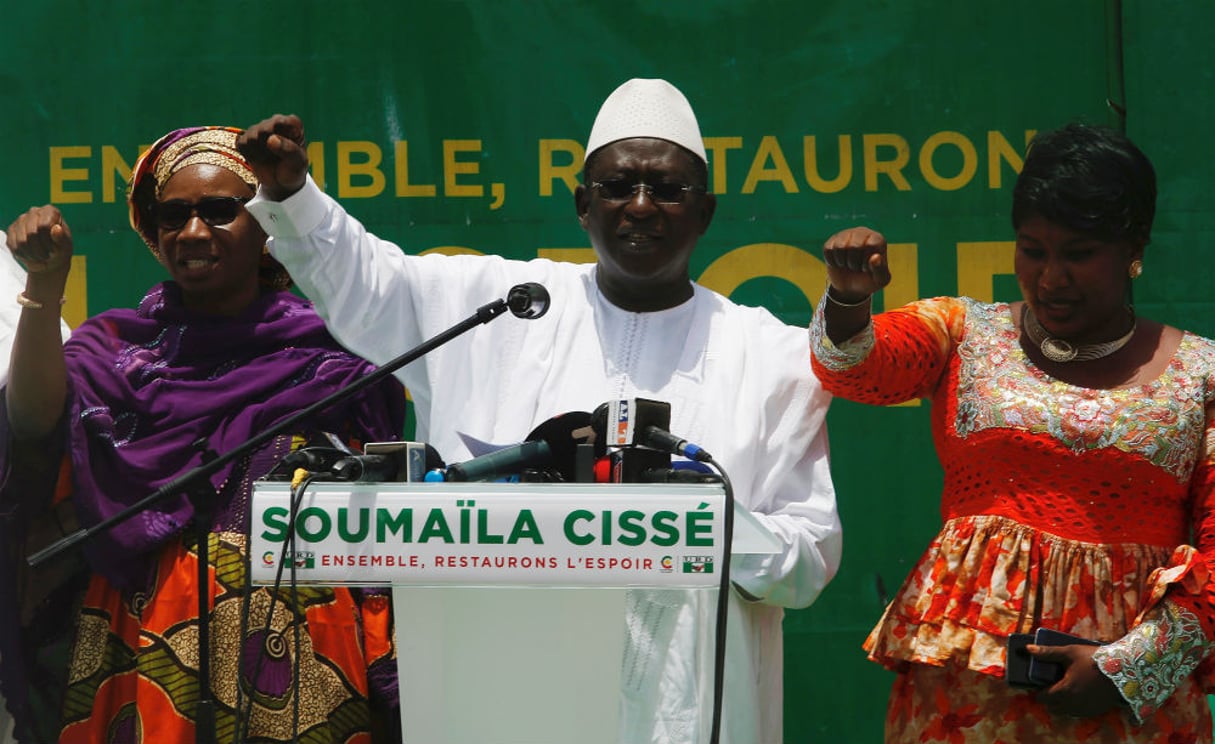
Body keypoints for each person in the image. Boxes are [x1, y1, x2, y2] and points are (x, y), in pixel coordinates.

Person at [235, 78, 842, 744]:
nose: (641, 207)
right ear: (583, 204)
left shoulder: (772, 357)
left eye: (668, 190)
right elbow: (365, 283)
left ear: (705, 213)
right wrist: (292, 197)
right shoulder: (498, 304)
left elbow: (806, 560)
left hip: (684, 714)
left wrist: (698, 521)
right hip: (499, 697)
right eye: (617, 187)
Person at [0, 126, 408, 743]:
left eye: (220, 212)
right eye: (174, 215)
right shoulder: (115, 352)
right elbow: (33, 425)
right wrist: (46, 286)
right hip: (141, 648)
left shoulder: (332, 354)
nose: (193, 233)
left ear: (265, 226)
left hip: (294, 652)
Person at [810, 121, 1215, 743]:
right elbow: (856, 368)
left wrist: (1130, 669)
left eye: (1079, 254)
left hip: (1128, 703)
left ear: (1134, 246)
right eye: (1032, 249)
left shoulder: (1202, 375)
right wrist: (847, 299)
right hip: (965, 697)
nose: (1051, 277)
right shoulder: (963, 332)